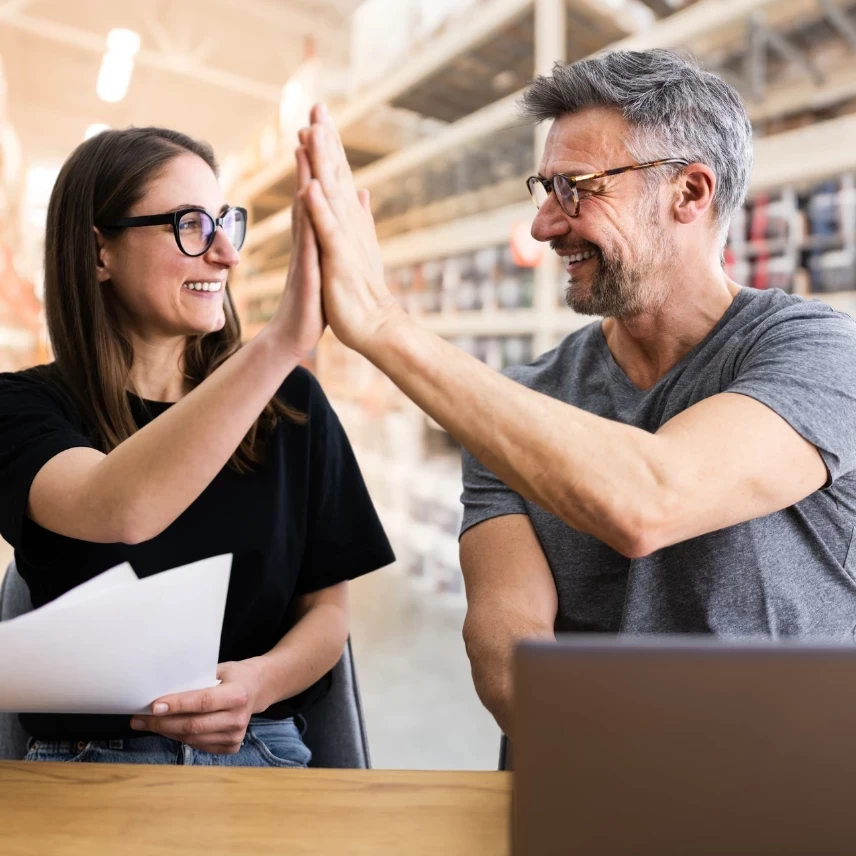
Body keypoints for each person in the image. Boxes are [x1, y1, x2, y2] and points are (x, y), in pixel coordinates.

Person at [293, 50, 856, 742]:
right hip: (581, 776)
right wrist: (609, 777)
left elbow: (651, 500)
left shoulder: (821, 354)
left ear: (689, 193)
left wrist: (384, 326)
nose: (544, 226)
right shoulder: (522, 405)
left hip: (783, 797)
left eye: (577, 188)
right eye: (545, 189)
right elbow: (506, 643)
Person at [0, 125, 394, 765]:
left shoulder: (291, 406)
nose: (225, 254)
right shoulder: (23, 409)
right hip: (86, 765)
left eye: (223, 222)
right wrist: (280, 341)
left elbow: (327, 614)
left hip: (259, 746)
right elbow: (118, 508)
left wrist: (255, 685)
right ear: (99, 251)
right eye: (189, 225)